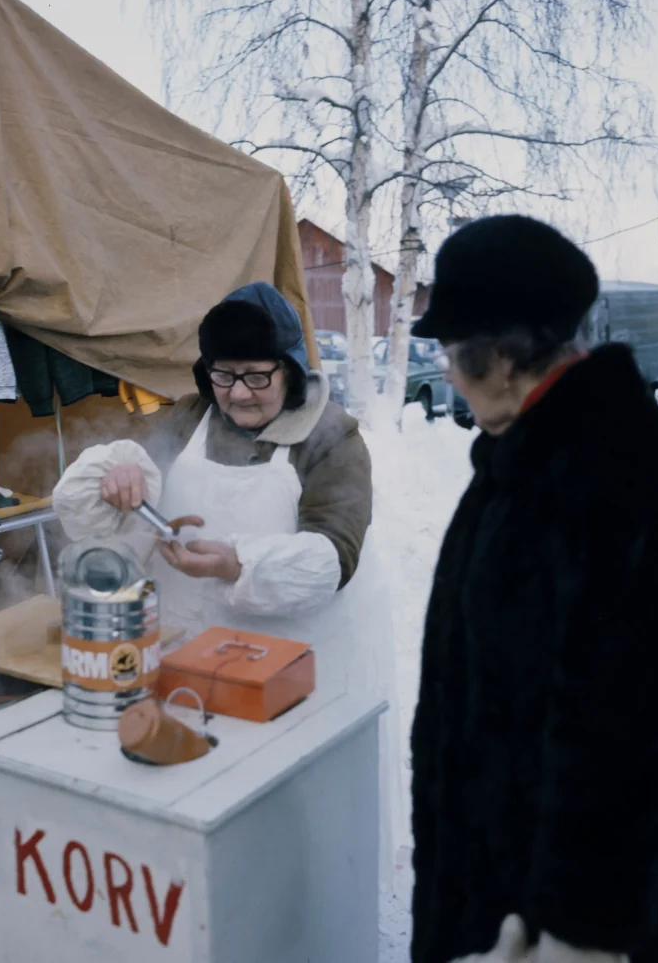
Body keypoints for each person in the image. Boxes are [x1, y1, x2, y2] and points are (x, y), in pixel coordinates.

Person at [408, 216, 658, 963]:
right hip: (511, 875)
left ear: (501, 356)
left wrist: (577, 934)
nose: (444, 370)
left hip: (586, 919)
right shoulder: (528, 452)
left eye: (450, 349)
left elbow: (631, 721)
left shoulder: (624, 468)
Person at [53, 280, 405, 887]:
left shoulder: (332, 437)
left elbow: (334, 554)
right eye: (223, 375)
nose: (238, 394)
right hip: (193, 653)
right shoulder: (191, 416)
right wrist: (116, 479)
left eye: (256, 376)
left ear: (290, 369)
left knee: (295, 833)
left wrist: (235, 563)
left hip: (299, 661)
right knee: (205, 821)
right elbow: (123, 491)